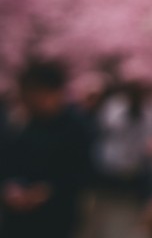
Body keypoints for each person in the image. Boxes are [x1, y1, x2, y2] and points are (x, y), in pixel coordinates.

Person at [0, 58, 93, 238]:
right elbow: (7, 160)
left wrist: (47, 190)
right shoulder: (19, 122)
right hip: (17, 216)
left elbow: (82, 171)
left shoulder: (76, 125)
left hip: (56, 215)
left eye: (38, 94)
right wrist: (8, 186)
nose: (32, 101)